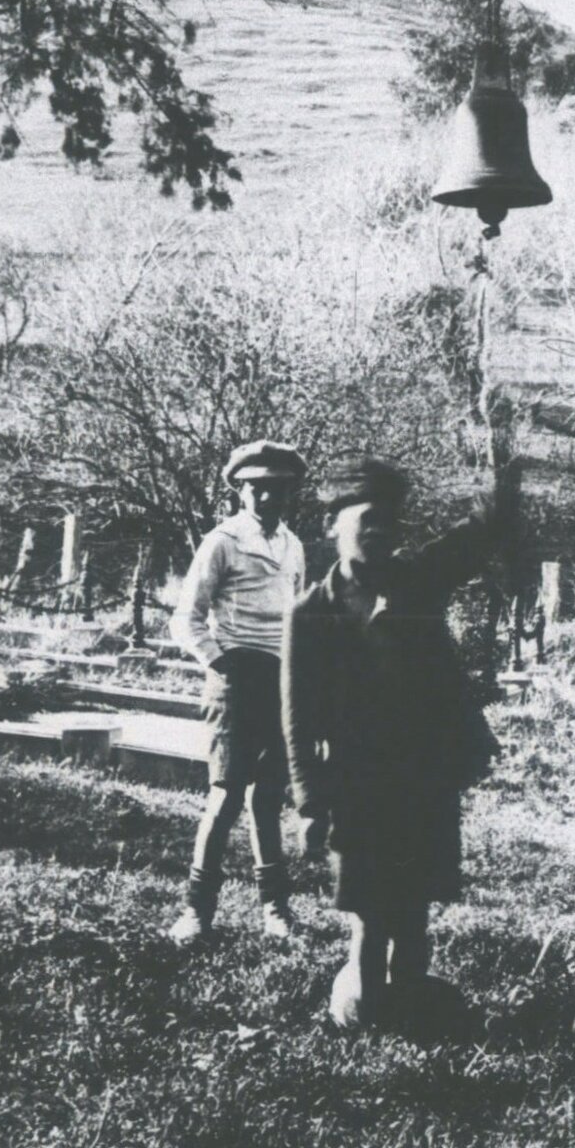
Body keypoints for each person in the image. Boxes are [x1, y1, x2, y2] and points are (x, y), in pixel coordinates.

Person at [282, 457, 509, 1031]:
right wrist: (309, 804)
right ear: (333, 524)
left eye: (391, 524)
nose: (381, 534)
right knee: (367, 910)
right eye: (368, 521)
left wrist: (502, 466)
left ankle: (407, 1002)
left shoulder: (417, 582)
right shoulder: (311, 614)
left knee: (413, 904)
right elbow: (298, 718)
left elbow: (478, 536)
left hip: (422, 775)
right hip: (357, 784)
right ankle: (365, 1018)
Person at [168, 439, 308, 949]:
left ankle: (275, 908)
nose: (267, 499)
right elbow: (185, 619)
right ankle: (196, 911)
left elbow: (297, 616)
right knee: (226, 795)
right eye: (256, 489)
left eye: (277, 489)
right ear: (239, 490)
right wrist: (221, 663)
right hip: (233, 678)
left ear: (290, 492)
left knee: (268, 797)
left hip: (280, 679)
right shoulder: (223, 540)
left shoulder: (293, 545)